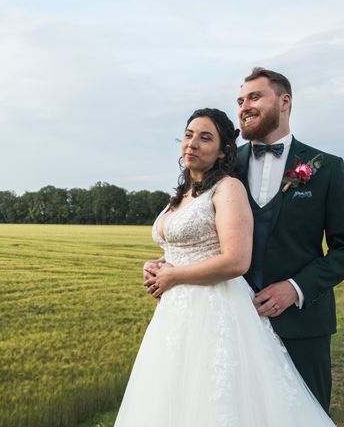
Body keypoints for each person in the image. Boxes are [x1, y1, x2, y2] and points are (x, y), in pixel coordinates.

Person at [113, 108, 334, 426]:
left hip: (214, 309)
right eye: (188, 135)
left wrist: (173, 275)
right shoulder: (182, 194)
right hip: (175, 314)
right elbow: (182, 246)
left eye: (205, 138)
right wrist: (160, 265)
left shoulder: (228, 188)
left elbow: (236, 260)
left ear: (223, 151)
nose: (192, 144)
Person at [234, 67, 344, 412]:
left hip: (304, 325)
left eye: (254, 96)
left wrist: (295, 288)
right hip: (235, 322)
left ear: (285, 102)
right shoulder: (224, 167)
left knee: (306, 416)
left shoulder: (328, 168)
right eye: (240, 100)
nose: (244, 106)